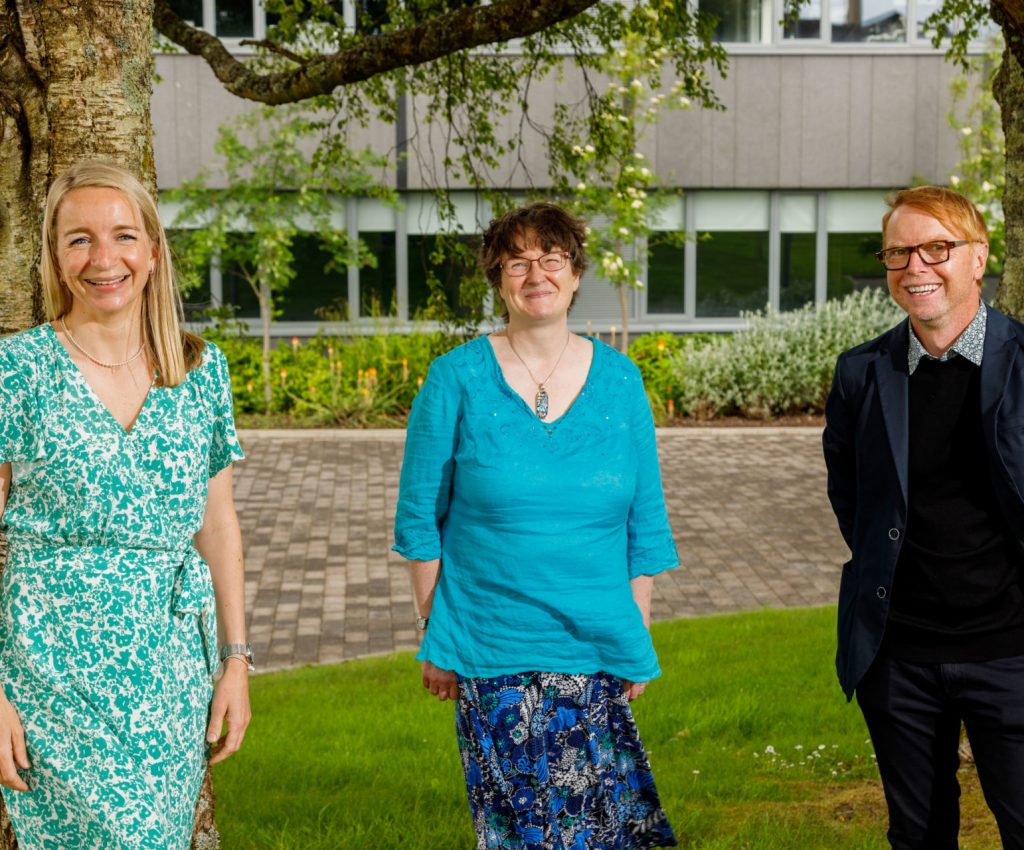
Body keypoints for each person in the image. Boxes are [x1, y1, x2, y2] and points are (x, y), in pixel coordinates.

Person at [393, 202, 679, 849]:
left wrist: (637, 630)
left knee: (604, 830)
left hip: (597, 651)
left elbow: (646, 523)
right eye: (517, 261)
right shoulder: (455, 379)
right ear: (498, 279)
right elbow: (419, 520)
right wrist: (435, 631)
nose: (536, 273)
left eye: (552, 258)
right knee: (529, 833)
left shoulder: (621, 382)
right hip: (494, 651)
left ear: (576, 275)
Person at [0, 160, 252, 849]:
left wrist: (235, 660)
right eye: (79, 239)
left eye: (122, 236)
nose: (103, 259)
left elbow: (219, 525)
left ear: (153, 250)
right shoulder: (15, 371)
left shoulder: (201, 373)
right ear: (54, 255)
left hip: (171, 666)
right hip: (49, 663)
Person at [823, 185, 1024, 849]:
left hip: (1011, 651)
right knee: (916, 835)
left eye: (937, 248)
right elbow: (853, 499)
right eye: (899, 253)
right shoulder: (861, 374)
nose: (916, 267)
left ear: (977, 258)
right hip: (899, 657)